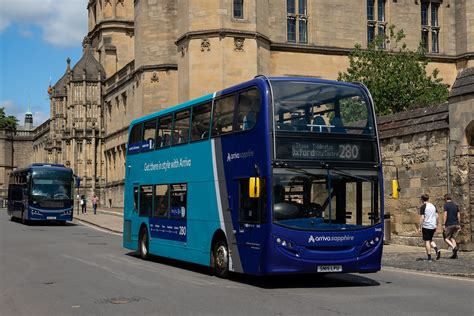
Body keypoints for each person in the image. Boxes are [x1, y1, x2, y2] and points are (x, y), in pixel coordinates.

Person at [418, 194, 441, 261]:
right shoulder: (433, 206)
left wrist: (419, 227)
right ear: (428, 199)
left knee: (427, 241)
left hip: (426, 226)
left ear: (422, 199)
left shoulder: (423, 207)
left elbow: (422, 218)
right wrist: (437, 224)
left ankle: (429, 257)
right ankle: (436, 249)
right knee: (430, 239)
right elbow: (437, 216)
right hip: (433, 226)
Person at [443, 194, 461, 259]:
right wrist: (459, 224)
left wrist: (444, 224)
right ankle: (455, 255)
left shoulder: (446, 205)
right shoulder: (456, 205)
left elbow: (445, 215)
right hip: (456, 224)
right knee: (453, 238)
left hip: (449, 224)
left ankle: (454, 247)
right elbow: (458, 215)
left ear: (445, 199)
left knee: (446, 238)